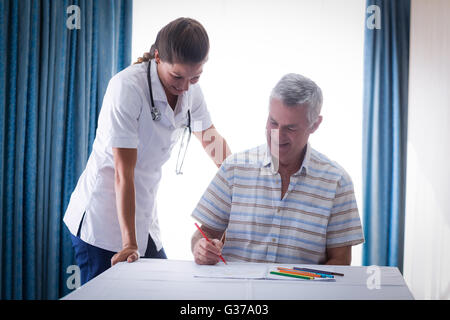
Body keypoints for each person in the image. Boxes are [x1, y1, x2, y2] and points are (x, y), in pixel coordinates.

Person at [64, 17, 231, 284]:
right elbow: (123, 172)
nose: (185, 86)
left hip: (143, 213)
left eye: (195, 77)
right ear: (157, 57)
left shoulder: (190, 92)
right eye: (177, 76)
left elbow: (213, 142)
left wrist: (244, 180)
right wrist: (129, 244)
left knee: (160, 288)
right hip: (103, 218)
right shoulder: (127, 88)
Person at [191, 73, 364, 265]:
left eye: (290, 128)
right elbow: (203, 235)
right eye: (273, 122)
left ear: (315, 124)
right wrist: (201, 249)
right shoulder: (234, 168)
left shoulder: (337, 182)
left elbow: (340, 261)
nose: (277, 136)